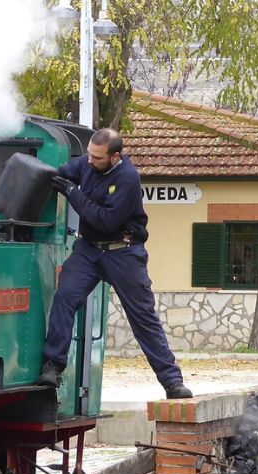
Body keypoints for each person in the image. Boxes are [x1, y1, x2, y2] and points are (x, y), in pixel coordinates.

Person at [37, 128, 192, 400]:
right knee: (65, 296)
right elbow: (63, 172)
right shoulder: (87, 163)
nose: (89, 162)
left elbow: (104, 220)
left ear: (115, 157)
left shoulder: (127, 178)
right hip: (88, 250)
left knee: (143, 318)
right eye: (89, 155)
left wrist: (72, 192)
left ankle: (172, 381)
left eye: (97, 158)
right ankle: (53, 365)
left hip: (124, 252)